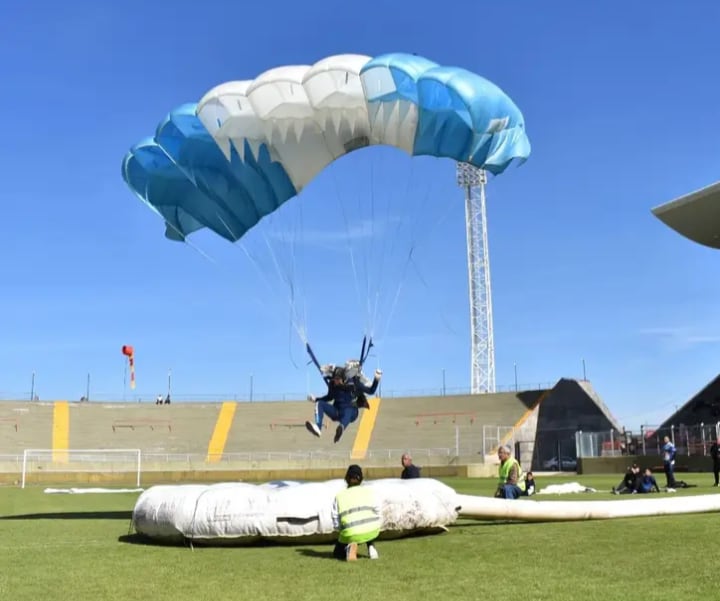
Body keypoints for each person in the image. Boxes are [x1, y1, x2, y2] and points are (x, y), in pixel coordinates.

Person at [306, 364, 382, 443]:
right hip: (337, 411)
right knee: (319, 403)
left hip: (351, 412)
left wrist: (376, 378)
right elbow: (329, 397)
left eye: (337, 379)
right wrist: (315, 399)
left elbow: (371, 391)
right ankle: (318, 428)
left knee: (349, 410)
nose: (335, 381)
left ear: (343, 379)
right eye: (334, 379)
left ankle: (341, 428)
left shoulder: (354, 383)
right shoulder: (332, 385)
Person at [331, 464, 381, 561]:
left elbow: (335, 520)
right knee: (366, 523)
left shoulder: (340, 496)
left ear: (346, 478)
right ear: (361, 479)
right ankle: (371, 546)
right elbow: (378, 512)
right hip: (372, 531)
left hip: (351, 533)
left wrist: (342, 530)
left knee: (337, 553)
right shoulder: (369, 492)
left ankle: (349, 547)